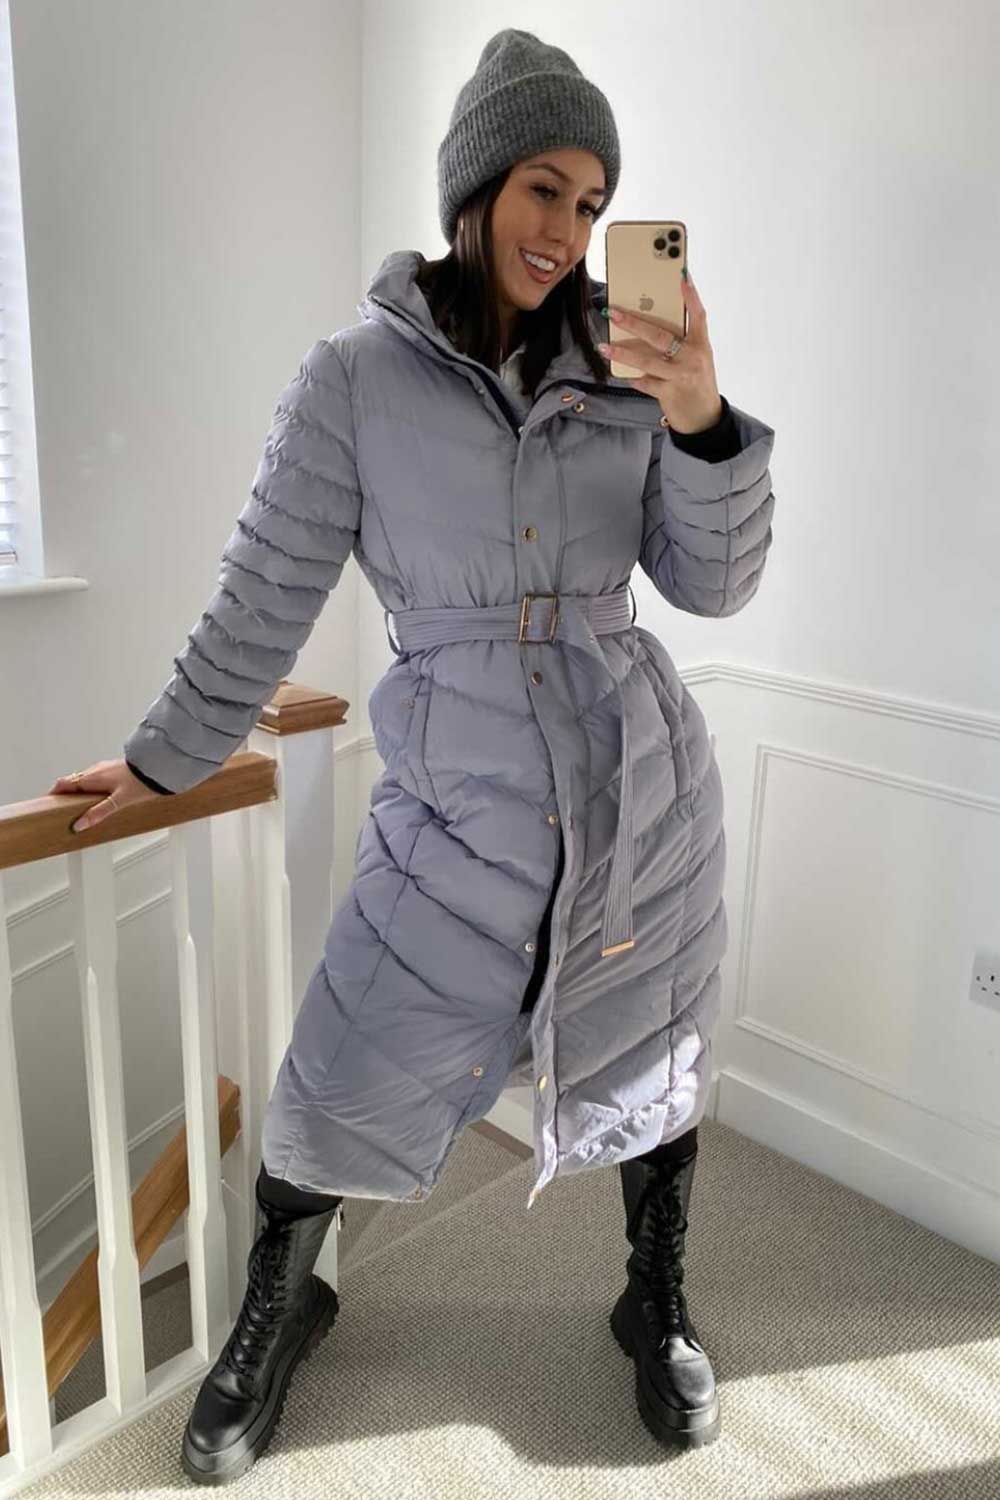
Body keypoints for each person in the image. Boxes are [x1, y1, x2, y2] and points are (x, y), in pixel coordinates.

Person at [49, 27, 775, 1484]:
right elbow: (264, 592)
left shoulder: (630, 369)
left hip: (638, 791)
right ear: (477, 186)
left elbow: (716, 585)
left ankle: (655, 1297)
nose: (566, 230)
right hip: (454, 804)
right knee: (342, 1060)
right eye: (544, 189)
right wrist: (165, 761)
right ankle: (281, 1304)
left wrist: (701, 415)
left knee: (653, 1054)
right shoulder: (353, 380)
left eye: (593, 202)